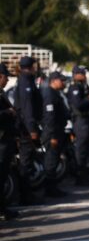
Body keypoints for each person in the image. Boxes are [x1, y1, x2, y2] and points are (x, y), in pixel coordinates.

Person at [13, 56, 43, 205]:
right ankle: (25, 196)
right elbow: (27, 108)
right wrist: (32, 129)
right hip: (26, 128)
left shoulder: (27, 80)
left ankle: (28, 194)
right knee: (26, 162)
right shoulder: (25, 81)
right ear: (31, 67)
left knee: (28, 161)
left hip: (27, 126)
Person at [41, 71, 71, 198]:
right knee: (51, 162)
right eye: (61, 80)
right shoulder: (49, 95)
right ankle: (49, 189)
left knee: (55, 160)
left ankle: (53, 188)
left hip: (58, 131)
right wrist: (52, 136)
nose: (63, 83)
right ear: (54, 81)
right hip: (52, 133)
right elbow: (50, 118)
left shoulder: (55, 93)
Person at [67, 65, 89, 186]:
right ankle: (80, 177)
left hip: (87, 120)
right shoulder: (74, 88)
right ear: (76, 75)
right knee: (81, 150)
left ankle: (86, 175)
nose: (84, 75)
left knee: (87, 149)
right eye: (82, 73)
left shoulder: (83, 86)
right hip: (80, 121)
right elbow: (78, 104)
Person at [0, 63, 20, 220]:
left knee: (3, 177)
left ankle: (2, 208)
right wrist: (7, 112)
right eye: (5, 77)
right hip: (1, 142)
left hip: (6, 140)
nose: (7, 80)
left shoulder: (2, 93)